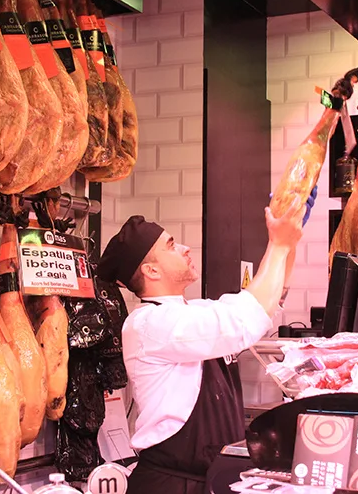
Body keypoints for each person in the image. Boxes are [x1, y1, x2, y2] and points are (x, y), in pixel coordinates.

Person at [96, 190, 315, 494]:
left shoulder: (193, 312)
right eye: (172, 246)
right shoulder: (147, 323)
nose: (185, 249)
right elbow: (242, 321)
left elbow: (264, 306)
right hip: (170, 486)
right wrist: (279, 243)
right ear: (151, 270)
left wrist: (289, 239)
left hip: (207, 478)